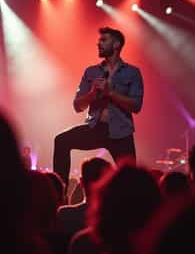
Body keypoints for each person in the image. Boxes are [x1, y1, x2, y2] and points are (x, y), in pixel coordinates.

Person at [53, 27, 144, 185]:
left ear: (116, 45)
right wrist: (92, 93)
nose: (98, 44)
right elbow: (77, 106)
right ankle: (59, 192)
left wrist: (110, 93)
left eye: (103, 40)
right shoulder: (91, 72)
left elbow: (136, 106)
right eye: (99, 41)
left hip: (121, 133)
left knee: (131, 180)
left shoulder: (132, 72)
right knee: (61, 140)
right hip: (95, 128)